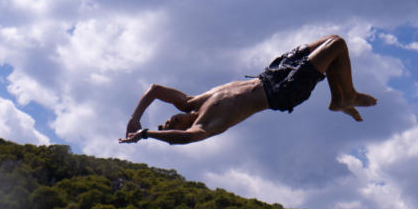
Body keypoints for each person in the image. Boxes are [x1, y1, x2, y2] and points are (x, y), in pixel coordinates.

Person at [120, 35, 376, 145]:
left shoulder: (191, 102)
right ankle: (347, 95)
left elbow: (154, 90)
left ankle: (339, 100)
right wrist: (146, 134)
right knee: (337, 45)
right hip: (284, 91)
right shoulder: (206, 126)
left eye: (165, 121)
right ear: (182, 128)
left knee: (330, 38)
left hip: (271, 73)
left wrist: (135, 117)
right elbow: (183, 139)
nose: (169, 121)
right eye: (169, 126)